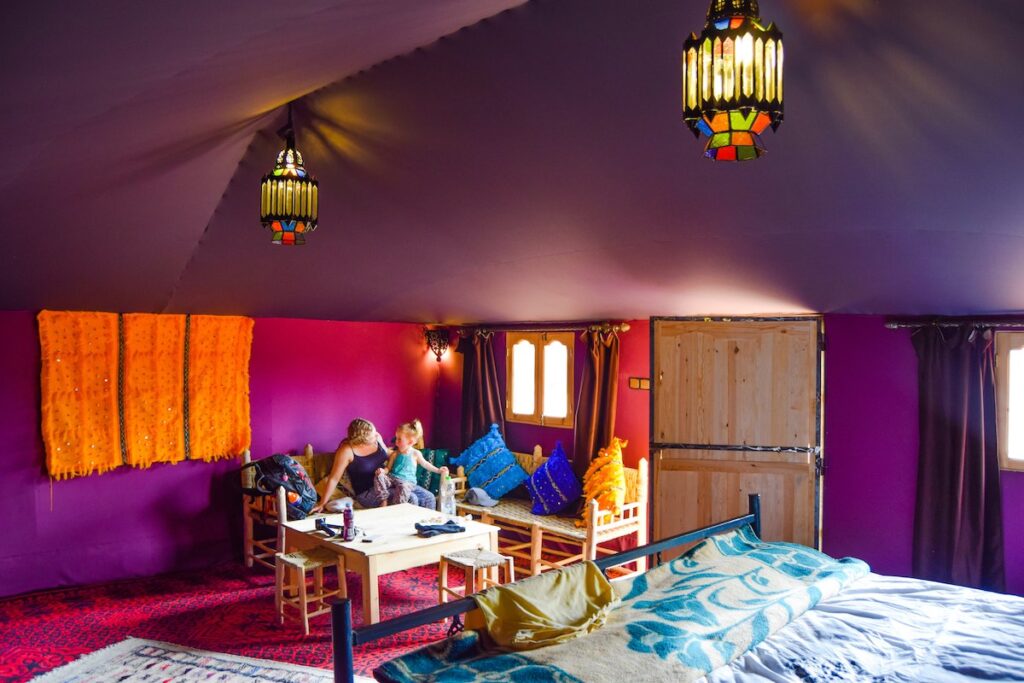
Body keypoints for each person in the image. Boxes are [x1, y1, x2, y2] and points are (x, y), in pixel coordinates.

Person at [311, 418, 392, 514]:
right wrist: (322, 503)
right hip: (367, 493)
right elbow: (334, 479)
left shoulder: (377, 439)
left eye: (375, 433)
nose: (376, 435)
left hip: (386, 484)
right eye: (372, 436)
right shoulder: (347, 451)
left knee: (412, 494)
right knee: (409, 498)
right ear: (361, 440)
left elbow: (389, 454)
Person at [384, 419, 448, 510]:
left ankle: (428, 521)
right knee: (413, 499)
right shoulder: (395, 454)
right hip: (397, 484)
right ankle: (410, 519)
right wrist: (383, 472)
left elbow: (425, 464)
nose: (396, 442)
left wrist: (438, 470)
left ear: (410, 442)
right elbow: (388, 468)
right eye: (396, 438)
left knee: (430, 497)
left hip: (411, 485)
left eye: (399, 439)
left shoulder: (415, 454)